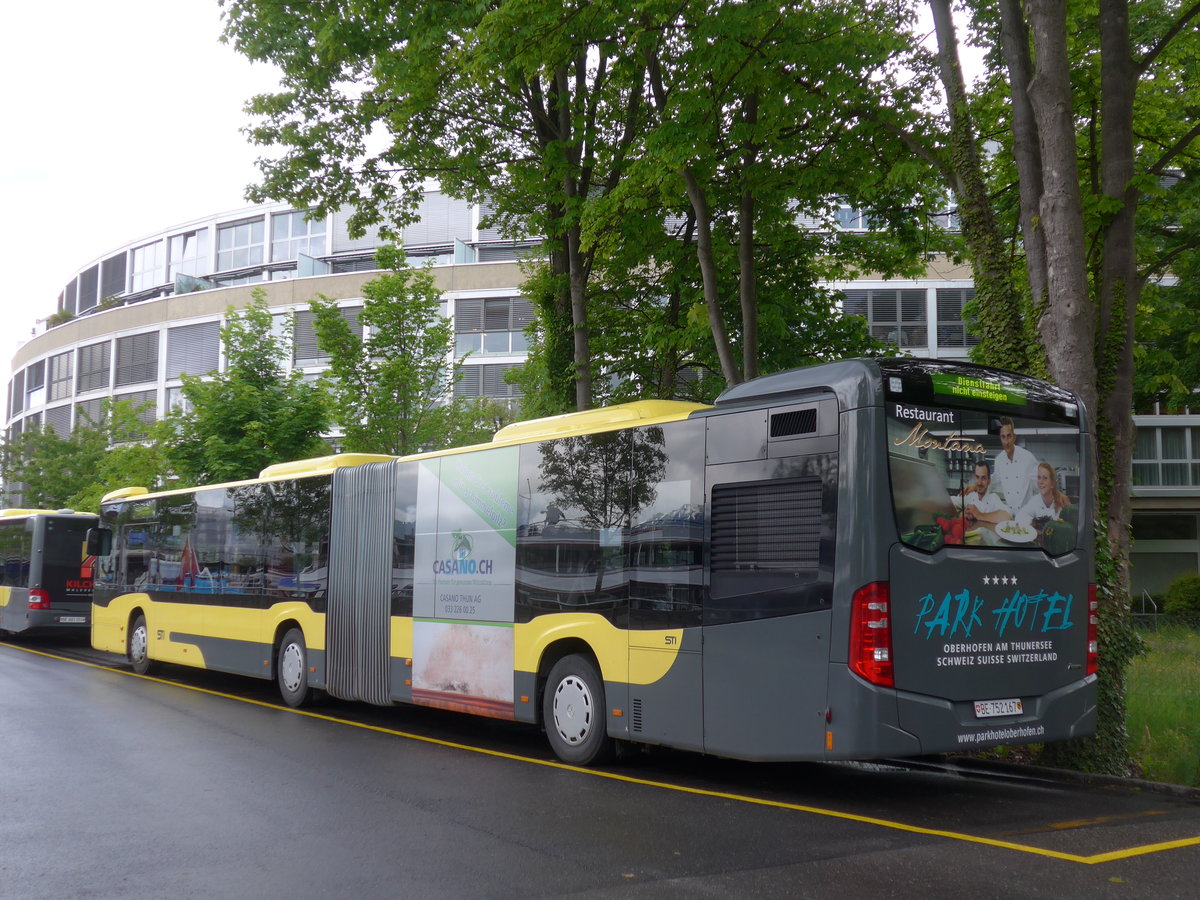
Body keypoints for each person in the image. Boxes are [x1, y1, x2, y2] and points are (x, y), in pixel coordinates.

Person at [992, 417, 1039, 510]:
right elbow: (993, 480)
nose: (1006, 442)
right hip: (1010, 513)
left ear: (1014, 437)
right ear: (1000, 438)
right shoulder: (999, 460)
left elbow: (1041, 483)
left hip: (1027, 513)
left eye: (1009, 436)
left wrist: (1056, 494)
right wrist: (975, 486)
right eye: (1003, 437)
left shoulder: (1028, 458)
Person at [961, 461, 1012, 525]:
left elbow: (1007, 516)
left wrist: (979, 515)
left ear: (989, 480)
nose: (979, 483)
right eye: (977, 477)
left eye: (983, 478)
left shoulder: (993, 498)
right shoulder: (970, 495)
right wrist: (963, 513)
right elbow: (949, 503)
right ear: (974, 478)